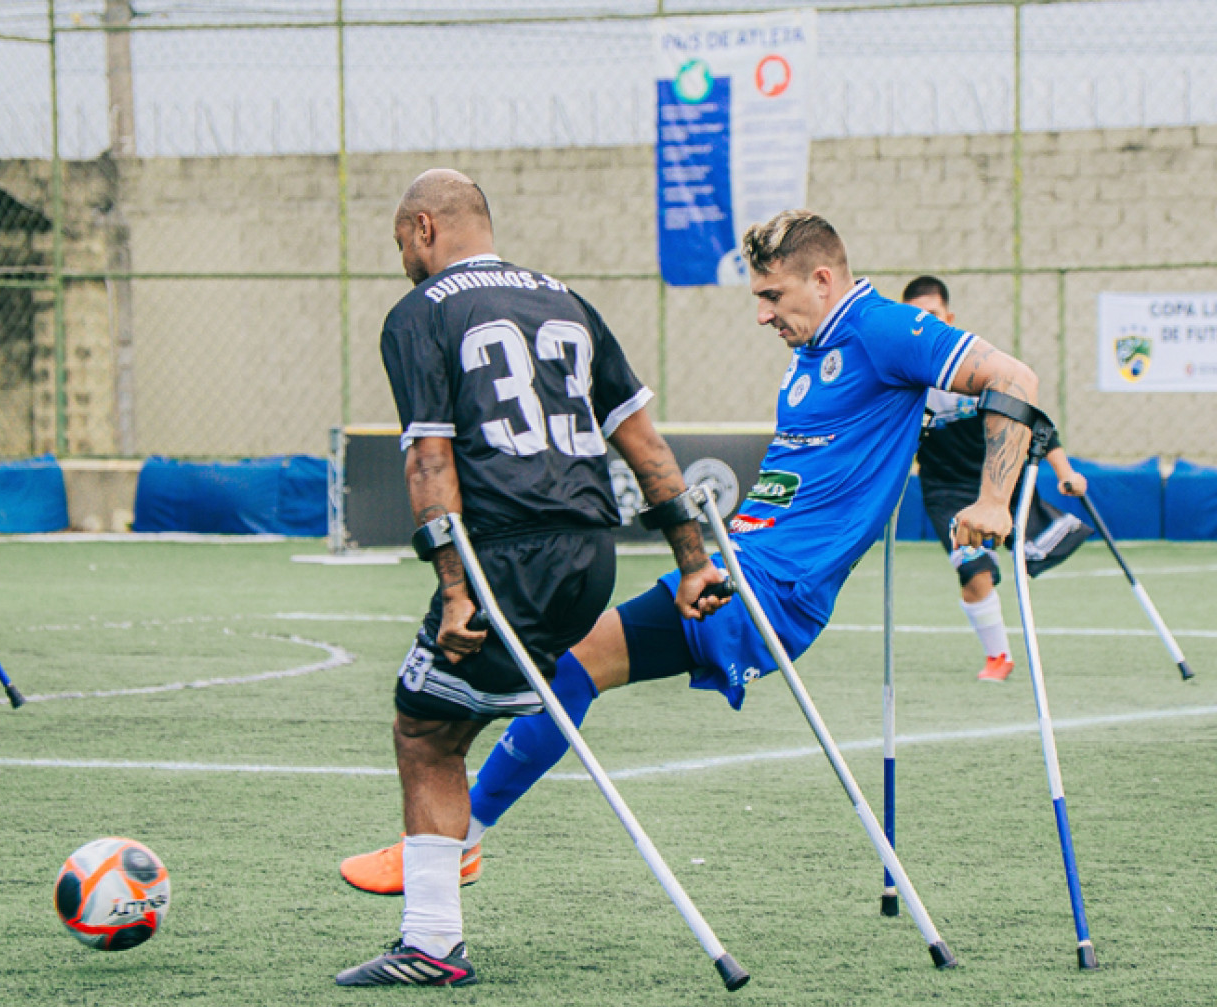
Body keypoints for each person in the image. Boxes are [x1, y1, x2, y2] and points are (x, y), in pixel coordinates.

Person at [339, 211, 1048, 896]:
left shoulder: (881, 325)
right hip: (743, 570)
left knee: (570, 668)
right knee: (568, 667)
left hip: (773, 588)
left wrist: (991, 498)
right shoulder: (820, 349)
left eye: (772, 295)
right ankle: (460, 841)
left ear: (823, 279)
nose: (762, 314)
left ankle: (458, 843)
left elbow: (1012, 379)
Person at [334, 168, 727, 988]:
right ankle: (437, 916)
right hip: (592, 552)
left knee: (424, 730)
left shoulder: (418, 313)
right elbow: (646, 446)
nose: (402, 258)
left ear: (423, 228)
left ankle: (432, 945)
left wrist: (452, 587)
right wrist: (693, 561)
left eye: (401, 241)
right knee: (458, 714)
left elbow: (430, 455)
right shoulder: (569, 304)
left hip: (506, 553)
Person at [903, 275, 1094, 682]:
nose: (923, 322)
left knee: (1031, 554)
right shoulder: (906, 379)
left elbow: (1031, 423)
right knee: (973, 570)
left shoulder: (975, 368)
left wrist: (1066, 473)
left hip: (998, 482)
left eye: (932, 314)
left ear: (948, 317)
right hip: (945, 490)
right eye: (914, 315)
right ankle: (999, 657)